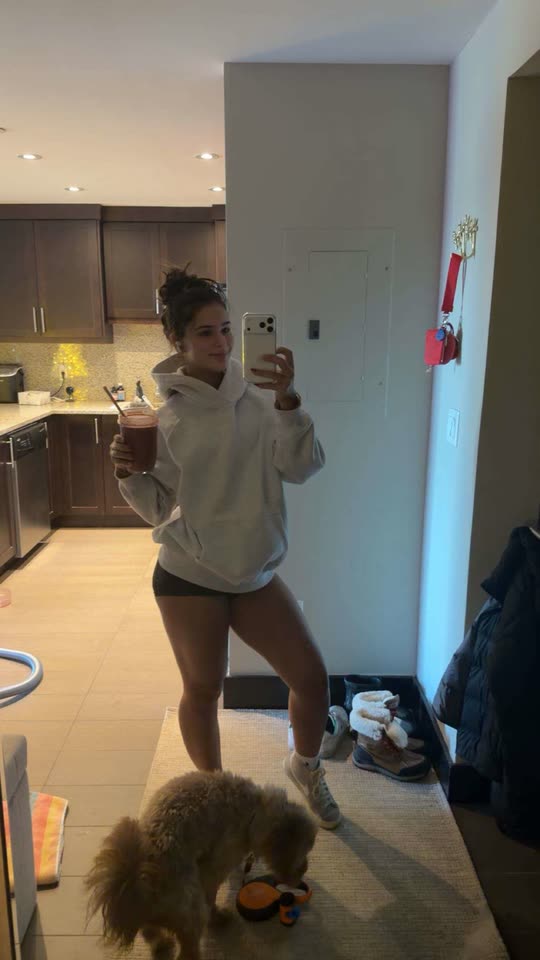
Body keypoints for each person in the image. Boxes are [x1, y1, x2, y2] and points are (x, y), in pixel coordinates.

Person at [110, 267, 340, 829]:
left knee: (312, 680)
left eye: (225, 329)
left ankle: (305, 767)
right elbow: (159, 508)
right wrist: (127, 474)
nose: (221, 343)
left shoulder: (263, 401)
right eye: (205, 333)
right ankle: (217, 803)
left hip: (254, 573)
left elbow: (302, 468)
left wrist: (288, 400)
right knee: (203, 689)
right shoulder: (164, 420)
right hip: (188, 575)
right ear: (178, 340)